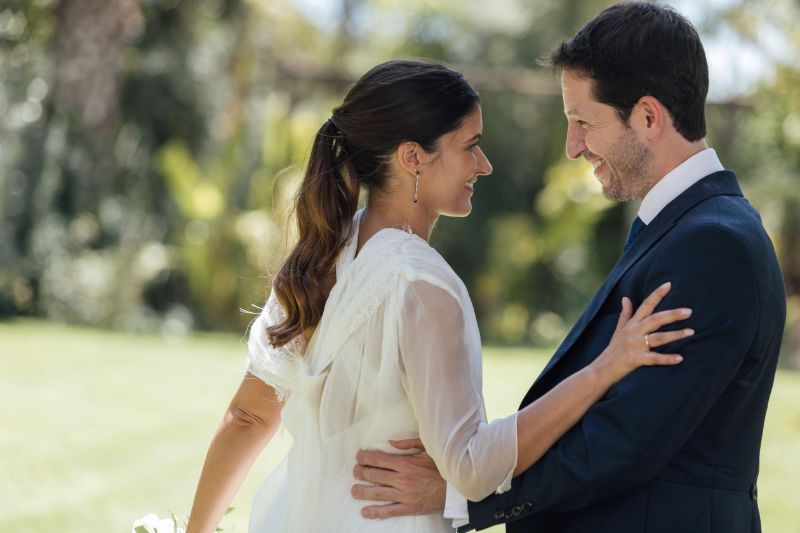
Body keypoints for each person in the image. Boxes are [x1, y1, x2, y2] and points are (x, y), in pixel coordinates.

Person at [184, 59, 692, 533]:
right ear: (412, 157)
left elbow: (248, 418)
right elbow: (470, 467)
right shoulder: (423, 284)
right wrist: (606, 367)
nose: (485, 164)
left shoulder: (316, 257)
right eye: (470, 145)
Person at [352, 4, 786, 533]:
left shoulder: (713, 244)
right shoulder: (688, 227)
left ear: (648, 117)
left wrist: (465, 498)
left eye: (583, 122)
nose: (572, 146)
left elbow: (626, 438)